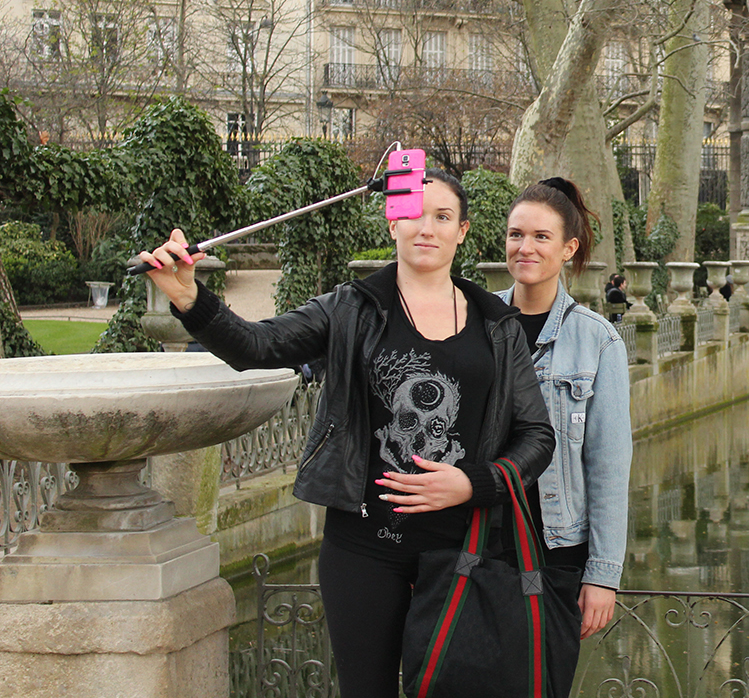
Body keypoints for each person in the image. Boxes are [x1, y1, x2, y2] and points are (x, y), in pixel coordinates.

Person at [135, 169, 554, 697]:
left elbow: (537, 436)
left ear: (463, 231)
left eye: (442, 217)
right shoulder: (350, 308)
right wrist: (189, 297)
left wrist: (475, 483)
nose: (426, 227)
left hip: (463, 553)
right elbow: (255, 347)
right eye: (413, 214)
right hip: (362, 551)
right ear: (391, 222)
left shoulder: (497, 324)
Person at [497, 177, 632, 643]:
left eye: (540, 237)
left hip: (556, 545)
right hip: (478, 542)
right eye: (516, 234)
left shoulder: (598, 340)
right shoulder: (473, 323)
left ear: (568, 248)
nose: (525, 248)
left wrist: (602, 575)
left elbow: (609, 467)